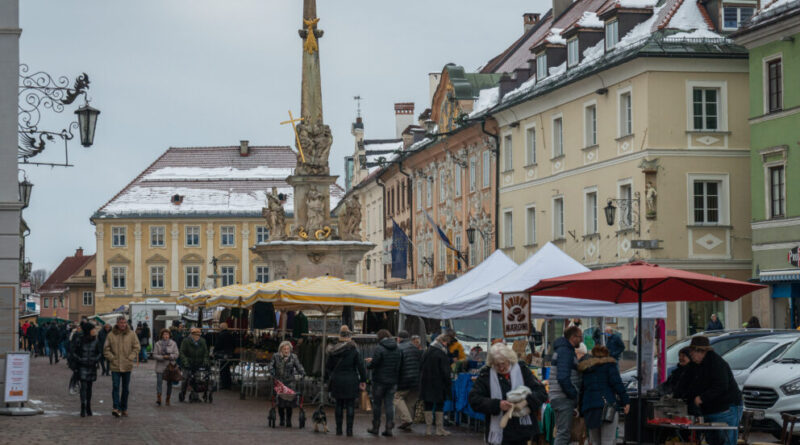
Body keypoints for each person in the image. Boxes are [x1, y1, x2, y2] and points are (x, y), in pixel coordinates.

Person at [469, 343, 549, 445]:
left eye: (503, 363)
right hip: (499, 434)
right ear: (492, 363)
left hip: (522, 431)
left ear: (509, 359)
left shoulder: (522, 370)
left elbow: (541, 392)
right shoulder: (486, 375)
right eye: (497, 365)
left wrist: (525, 402)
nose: (501, 368)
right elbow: (474, 399)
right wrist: (497, 404)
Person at [679, 336, 743, 445]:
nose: (691, 355)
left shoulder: (716, 363)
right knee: (713, 441)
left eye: (692, 352)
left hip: (727, 408)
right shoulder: (696, 365)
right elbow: (690, 384)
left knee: (726, 441)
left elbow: (721, 386)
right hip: (711, 410)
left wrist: (702, 398)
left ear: (701, 351)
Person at [578, 345, 631, 445]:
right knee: (607, 440)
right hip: (607, 408)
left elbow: (582, 391)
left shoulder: (586, 369)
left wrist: (581, 411)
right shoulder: (610, 366)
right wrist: (626, 401)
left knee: (594, 441)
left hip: (590, 409)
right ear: (607, 354)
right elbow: (617, 384)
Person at [327, 326, 367, 437]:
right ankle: (349, 431)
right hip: (351, 380)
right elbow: (360, 366)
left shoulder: (332, 350)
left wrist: (332, 376)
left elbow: (328, 367)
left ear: (339, 336)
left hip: (337, 380)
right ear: (349, 337)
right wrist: (364, 380)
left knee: (338, 405)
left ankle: (338, 430)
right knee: (350, 405)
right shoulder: (354, 350)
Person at [366, 329, 402, 436]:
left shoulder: (379, 348)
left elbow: (375, 363)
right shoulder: (397, 348)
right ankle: (389, 428)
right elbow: (399, 365)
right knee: (389, 404)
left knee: (377, 404)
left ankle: (376, 427)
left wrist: (369, 364)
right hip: (392, 381)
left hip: (379, 381)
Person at [550, 326, 583, 445]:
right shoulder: (565, 351)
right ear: (573, 337)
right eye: (580, 337)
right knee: (563, 434)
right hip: (563, 397)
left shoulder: (564, 350)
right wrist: (573, 394)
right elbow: (563, 377)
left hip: (560, 397)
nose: (582, 340)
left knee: (563, 433)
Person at [103, 316, 140, 417]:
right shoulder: (111, 335)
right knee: (115, 386)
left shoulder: (131, 334)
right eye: (121, 323)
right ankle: (116, 407)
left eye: (124, 322)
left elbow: (137, 347)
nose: (123, 324)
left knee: (125, 389)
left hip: (127, 365)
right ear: (117, 323)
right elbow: (106, 349)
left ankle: (124, 408)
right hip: (115, 365)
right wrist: (112, 358)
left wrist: (131, 357)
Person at [419, 333, 453, 436]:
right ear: (443, 342)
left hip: (426, 382)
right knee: (439, 405)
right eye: (446, 343)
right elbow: (445, 372)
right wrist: (448, 383)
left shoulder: (427, 351)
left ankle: (428, 429)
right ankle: (439, 428)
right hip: (439, 383)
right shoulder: (441, 353)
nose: (447, 345)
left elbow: (420, 366)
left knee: (428, 405)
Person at [69, 321, 102, 417]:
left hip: (91, 366)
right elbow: (73, 351)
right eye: (93, 329)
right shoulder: (79, 339)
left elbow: (100, 352)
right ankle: (83, 406)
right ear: (88, 330)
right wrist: (80, 359)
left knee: (89, 388)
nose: (95, 330)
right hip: (82, 366)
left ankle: (88, 405)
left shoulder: (96, 340)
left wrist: (95, 359)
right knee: (83, 387)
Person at [270, 340, 305, 427]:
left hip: (290, 382)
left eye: (287, 349)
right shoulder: (276, 356)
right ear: (281, 349)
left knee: (289, 402)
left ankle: (288, 420)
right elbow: (271, 365)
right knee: (280, 402)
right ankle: (282, 419)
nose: (286, 350)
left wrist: (302, 372)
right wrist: (272, 372)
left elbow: (299, 366)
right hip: (279, 381)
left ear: (290, 349)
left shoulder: (293, 357)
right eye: (284, 349)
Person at [395, 330, 422, 432]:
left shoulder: (398, 348)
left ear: (398, 338)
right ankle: (407, 424)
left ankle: (407, 420)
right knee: (409, 403)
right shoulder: (416, 349)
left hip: (404, 380)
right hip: (417, 381)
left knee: (396, 397)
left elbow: (397, 366)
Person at [179, 327, 209, 403]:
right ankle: (183, 393)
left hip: (198, 363)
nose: (197, 337)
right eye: (196, 335)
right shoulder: (186, 341)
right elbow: (182, 352)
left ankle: (195, 396)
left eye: (199, 335)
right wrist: (185, 362)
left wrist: (205, 361)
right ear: (191, 335)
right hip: (188, 363)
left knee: (197, 379)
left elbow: (206, 353)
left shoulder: (202, 341)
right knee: (185, 378)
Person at [153, 328, 179, 406]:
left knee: (169, 383)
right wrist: (162, 357)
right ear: (162, 335)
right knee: (159, 382)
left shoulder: (173, 343)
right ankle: (159, 398)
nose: (166, 336)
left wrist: (170, 356)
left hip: (170, 366)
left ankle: (168, 398)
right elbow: (154, 355)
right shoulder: (157, 344)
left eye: (167, 334)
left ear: (169, 335)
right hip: (160, 366)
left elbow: (177, 354)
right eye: (164, 334)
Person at [214, 322, 236, 390]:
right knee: (227, 369)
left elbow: (218, 345)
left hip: (222, 355)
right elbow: (234, 345)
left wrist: (214, 352)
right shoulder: (231, 335)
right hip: (230, 355)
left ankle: (224, 384)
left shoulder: (221, 335)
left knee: (223, 370)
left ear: (221, 328)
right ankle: (228, 384)